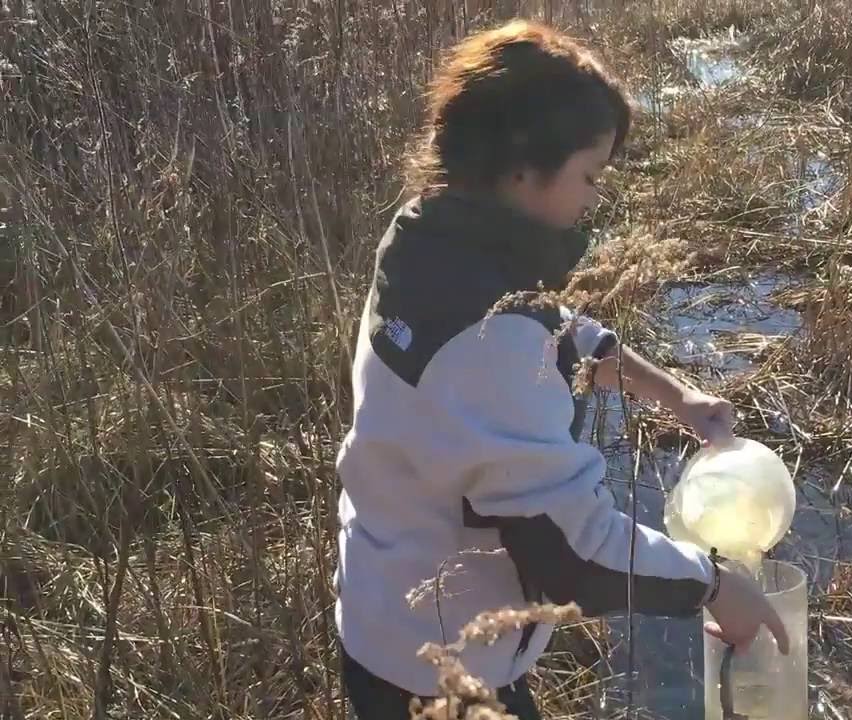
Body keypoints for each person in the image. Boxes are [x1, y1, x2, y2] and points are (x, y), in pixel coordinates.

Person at [332, 19, 789, 720]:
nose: (593, 200)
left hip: (382, 614)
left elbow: (556, 334)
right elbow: (575, 554)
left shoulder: (428, 237)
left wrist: (675, 396)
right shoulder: (492, 338)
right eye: (588, 175)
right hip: (440, 667)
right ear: (523, 165)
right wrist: (715, 583)